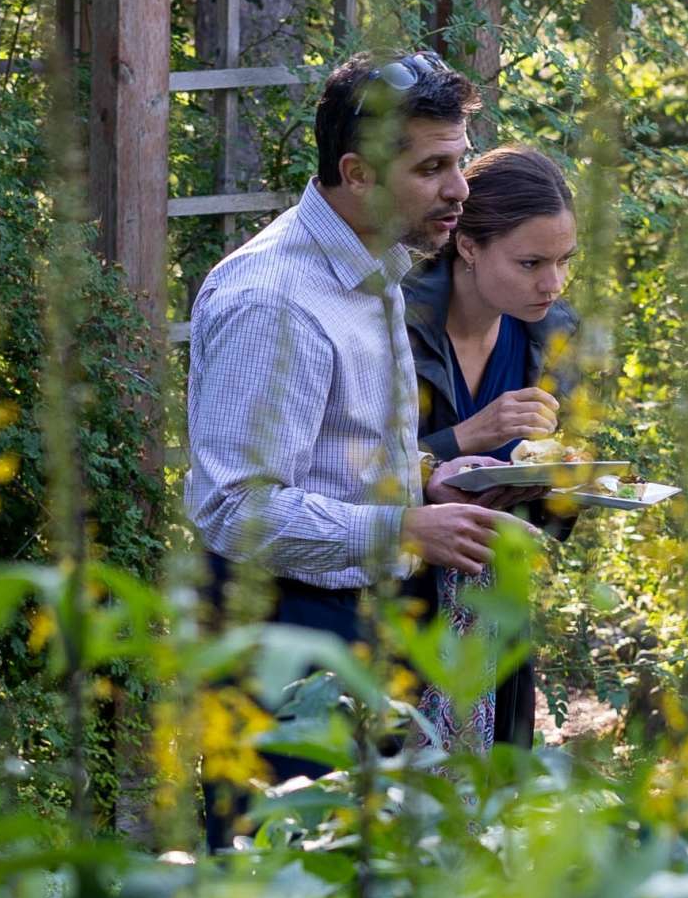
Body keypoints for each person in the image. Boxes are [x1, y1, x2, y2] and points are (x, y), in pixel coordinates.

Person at [187, 49, 507, 690]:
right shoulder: (273, 301)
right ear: (357, 174)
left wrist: (426, 480)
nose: (460, 189)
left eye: (459, 160)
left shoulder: (373, 261)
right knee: (287, 797)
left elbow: (332, 456)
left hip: (362, 618)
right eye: (431, 168)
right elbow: (235, 508)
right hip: (279, 629)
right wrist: (406, 527)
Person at [405, 147, 581, 745]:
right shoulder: (391, 321)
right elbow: (344, 469)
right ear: (469, 246)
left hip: (495, 606)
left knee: (494, 800)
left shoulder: (553, 335)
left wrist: (564, 481)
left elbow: (549, 517)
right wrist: (466, 436)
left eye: (564, 262)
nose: (551, 284)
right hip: (390, 599)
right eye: (531, 262)